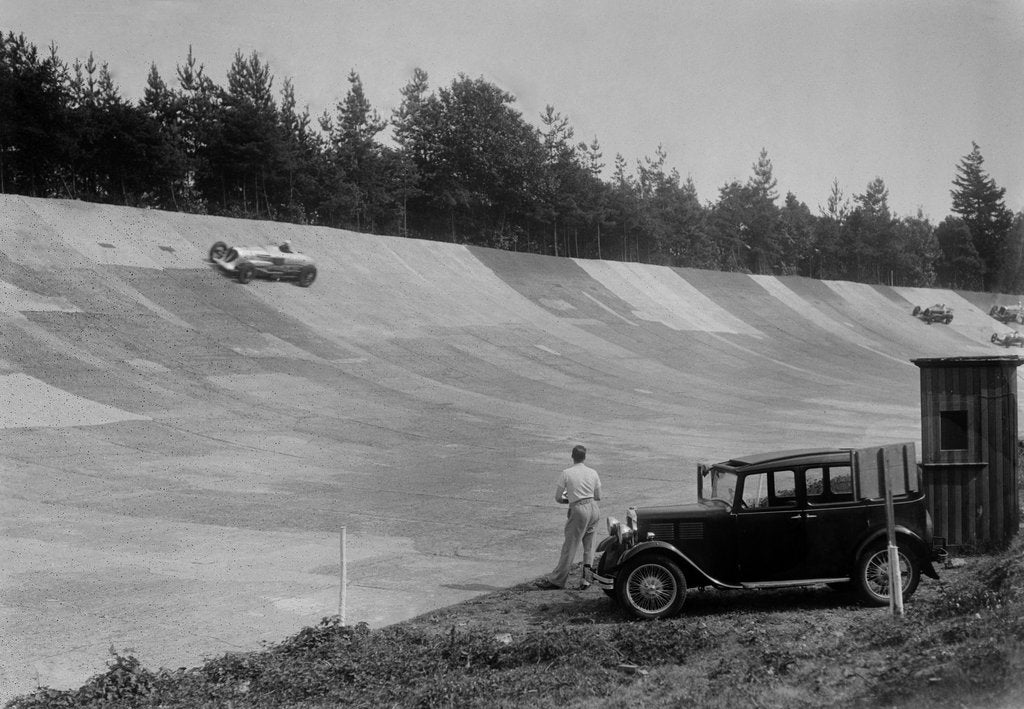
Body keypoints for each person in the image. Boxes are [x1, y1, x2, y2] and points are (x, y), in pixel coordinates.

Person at [534, 444, 602, 590]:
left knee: (570, 546)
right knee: (589, 547)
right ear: (585, 457)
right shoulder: (593, 472)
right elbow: (598, 496)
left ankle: (557, 580)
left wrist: (570, 499)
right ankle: (586, 580)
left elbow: (558, 497)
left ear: (572, 456)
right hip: (594, 508)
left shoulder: (566, 473)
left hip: (579, 509)